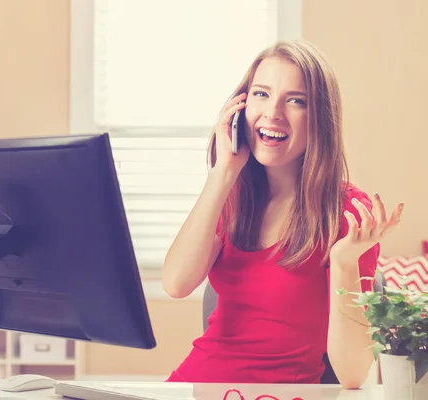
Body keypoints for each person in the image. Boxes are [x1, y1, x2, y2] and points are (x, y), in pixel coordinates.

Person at [162, 40, 404, 389]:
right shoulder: (232, 194)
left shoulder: (347, 211)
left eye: (295, 101)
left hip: (278, 393)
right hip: (195, 387)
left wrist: (345, 263)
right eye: (261, 94)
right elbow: (176, 283)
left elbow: (355, 376)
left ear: (320, 118)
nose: (272, 112)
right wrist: (222, 174)